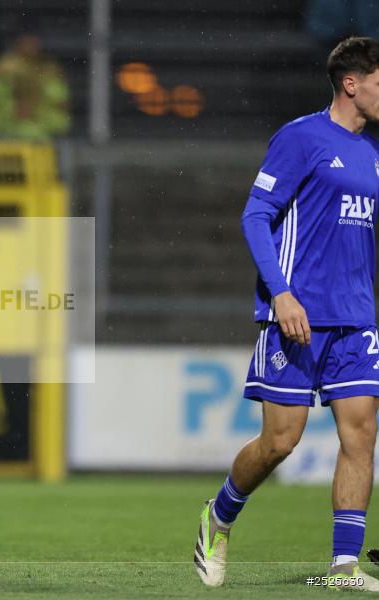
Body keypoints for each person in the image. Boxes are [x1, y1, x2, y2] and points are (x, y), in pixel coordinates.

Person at [194, 37, 379, 590]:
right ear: (353, 83)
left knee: (361, 433)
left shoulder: (374, 154)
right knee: (281, 441)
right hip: (297, 315)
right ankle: (218, 516)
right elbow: (256, 215)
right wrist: (280, 293)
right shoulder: (301, 138)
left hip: (357, 318)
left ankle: (344, 566)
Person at [0, 32, 71, 141]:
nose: (30, 46)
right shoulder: (1, 68)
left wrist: (35, 111)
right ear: (17, 43)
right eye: (26, 42)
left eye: (33, 42)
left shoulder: (50, 70)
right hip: (4, 130)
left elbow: (61, 102)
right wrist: (11, 110)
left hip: (41, 131)